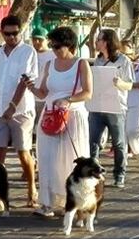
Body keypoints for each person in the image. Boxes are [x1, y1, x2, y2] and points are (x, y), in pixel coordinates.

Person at [26, 26, 92, 218]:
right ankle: (47, 203)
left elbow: (88, 92)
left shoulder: (81, 64)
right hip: (50, 115)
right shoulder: (49, 65)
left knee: (74, 160)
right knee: (46, 159)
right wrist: (31, 87)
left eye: (57, 46)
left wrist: (68, 100)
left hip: (72, 116)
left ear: (69, 45)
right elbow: (43, 93)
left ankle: (77, 203)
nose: (54, 50)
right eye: (52, 46)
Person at [0, 15, 38, 208]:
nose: (11, 37)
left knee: (23, 152)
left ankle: (32, 187)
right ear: (2, 33)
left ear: (20, 31)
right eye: (7, 34)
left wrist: (13, 106)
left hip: (21, 111)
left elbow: (25, 81)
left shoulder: (28, 52)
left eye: (15, 33)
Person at [88, 29, 134, 189]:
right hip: (97, 105)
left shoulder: (124, 61)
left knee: (118, 142)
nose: (97, 42)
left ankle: (119, 174)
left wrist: (120, 83)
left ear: (107, 41)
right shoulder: (98, 60)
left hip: (115, 107)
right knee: (93, 142)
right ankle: (92, 173)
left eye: (99, 39)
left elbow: (130, 84)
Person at [122, 42, 139, 164]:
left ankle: (137, 150)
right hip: (119, 102)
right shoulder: (116, 65)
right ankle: (122, 157)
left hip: (135, 101)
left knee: (131, 130)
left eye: (127, 54)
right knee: (121, 131)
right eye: (122, 54)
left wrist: (133, 85)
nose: (125, 57)